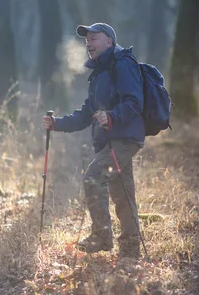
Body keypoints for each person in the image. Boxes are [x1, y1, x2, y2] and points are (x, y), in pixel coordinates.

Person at [42, 22, 145, 259]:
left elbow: (134, 102)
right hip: (111, 141)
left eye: (94, 38)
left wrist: (111, 116)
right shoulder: (99, 73)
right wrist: (58, 123)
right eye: (86, 40)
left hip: (124, 138)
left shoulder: (123, 64)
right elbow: (87, 112)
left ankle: (101, 236)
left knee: (93, 177)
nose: (88, 43)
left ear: (109, 41)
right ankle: (130, 253)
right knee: (123, 195)